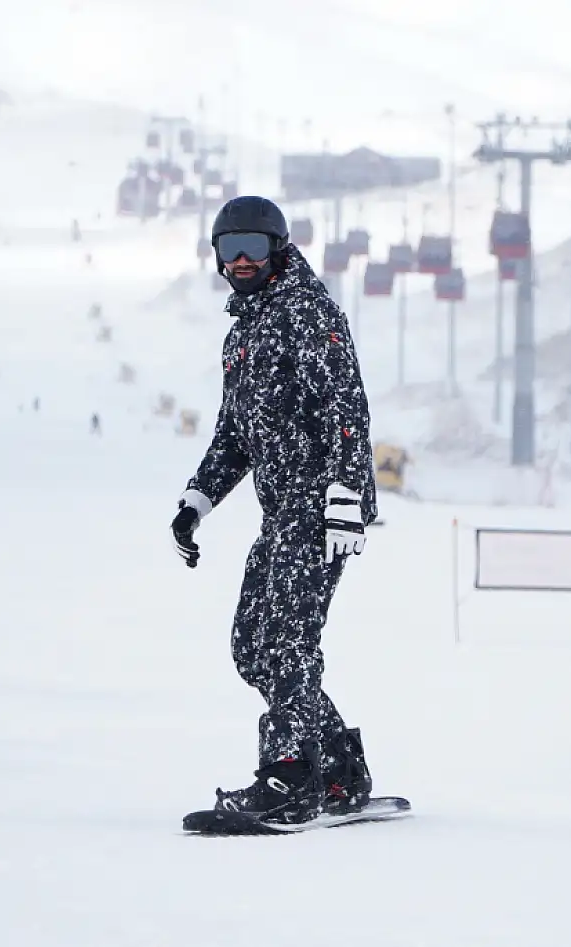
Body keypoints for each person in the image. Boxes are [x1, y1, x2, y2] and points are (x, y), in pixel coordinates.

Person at [169, 195, 377, 826]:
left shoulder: (310, 316)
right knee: (253, 647)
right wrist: (195, 503)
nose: (240, 261)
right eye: (229, 248)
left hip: (320, 509)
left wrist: (344, 502)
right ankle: (337, 767)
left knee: (288, 641)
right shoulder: (245, 334)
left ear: (279, 249)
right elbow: (236, 435)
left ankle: (289, 778)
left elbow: (348, 413)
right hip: (283, 511)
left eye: (254, 248)